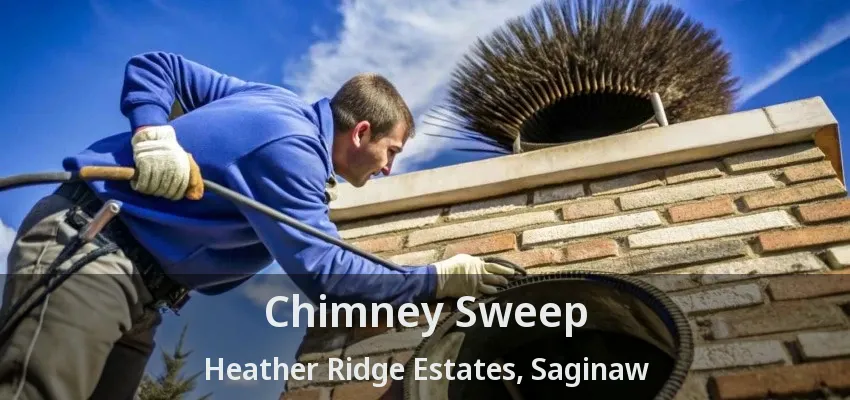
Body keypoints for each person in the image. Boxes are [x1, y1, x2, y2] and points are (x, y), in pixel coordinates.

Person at [0, 51, 515, 400]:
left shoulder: (271, 102)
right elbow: (329, 275)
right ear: (361, 132)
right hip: (92, 245)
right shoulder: (290, 148)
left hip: (139, 290)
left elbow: (162, 67)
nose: (388, 168)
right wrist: (439, 279)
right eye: (391, 152)